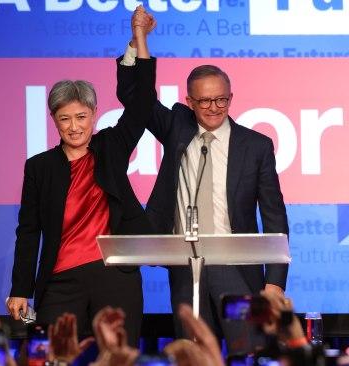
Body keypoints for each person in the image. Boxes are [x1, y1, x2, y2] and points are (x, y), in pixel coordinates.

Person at [116, 27, 288, 353]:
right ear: (189, 101)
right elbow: (132, 95)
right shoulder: (177, 127)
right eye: (205, 100)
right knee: (193, 357)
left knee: (249, 353)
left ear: (231, 97)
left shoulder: (256, 146)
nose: (214, 107)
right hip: (186, 268)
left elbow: (274, 215)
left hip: (238, 268)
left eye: (221, 99)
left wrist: (275, 281)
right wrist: (138, 41)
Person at [5, 7, 156, 345]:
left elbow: (143, 103)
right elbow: (29, 232)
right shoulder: (39, 167)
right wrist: (20, 290)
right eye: (64, 118)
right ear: (54, 120)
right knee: (56, 355)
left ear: (94, 115)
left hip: (114, 276)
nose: (74, 126)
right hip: (60, 280)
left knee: (117, 357)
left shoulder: (111, 148)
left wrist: (139, 41)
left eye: (81, 116)